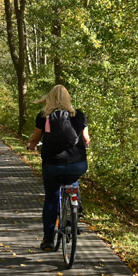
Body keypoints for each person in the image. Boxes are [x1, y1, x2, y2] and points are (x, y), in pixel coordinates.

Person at [27, 85, 90, 251]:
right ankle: (75, 214)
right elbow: (86, 139)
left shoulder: (44, 116)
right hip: (78, 164)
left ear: (50, 98)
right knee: (72, 179)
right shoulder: (79, 115)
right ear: (67, 98)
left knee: (51, 198)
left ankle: (48, 240)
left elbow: (35, 139)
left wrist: (31, 146)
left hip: (53, 165)